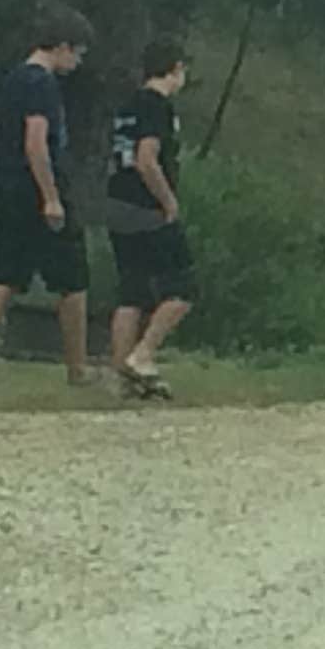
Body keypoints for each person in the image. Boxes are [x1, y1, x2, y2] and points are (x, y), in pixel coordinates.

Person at [0, 6, 96, 391]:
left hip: (8, 189)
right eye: (77, 53)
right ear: (61, 47)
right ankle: (77, 368)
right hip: (38, 191)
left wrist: (4, 173)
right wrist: (51, 197)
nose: (78, 62)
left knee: (6, 276)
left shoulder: (11, 80)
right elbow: (36, 143)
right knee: (72, 281)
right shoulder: (42, 84)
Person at [106, 39, 197, 399]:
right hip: (147, 207)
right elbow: (147, 158)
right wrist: (168, 200)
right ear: (174, 68)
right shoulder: (158, 106)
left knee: (133, 291)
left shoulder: (127, 105)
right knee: (184, 288)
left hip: (117, 201)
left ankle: (121, 375)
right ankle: (143, 355)